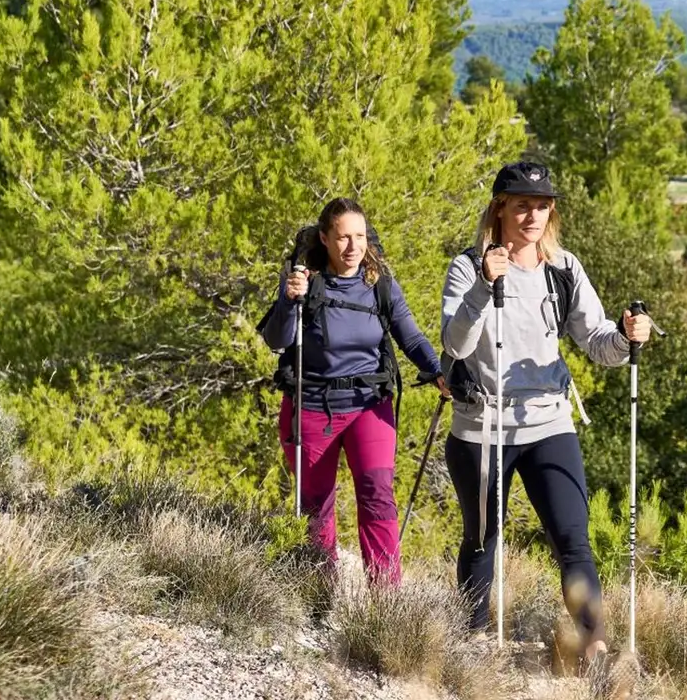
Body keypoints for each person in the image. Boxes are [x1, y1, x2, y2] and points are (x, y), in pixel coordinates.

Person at [440, 160, 652, 667]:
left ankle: (595, 644)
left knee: (572, 537)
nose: (532, 214)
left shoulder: (563, 269)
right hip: (482, 425)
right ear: (500, 208)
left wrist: (626, 337)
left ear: (550, 210)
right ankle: (471, 642)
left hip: (548, 421)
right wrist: (480, 290)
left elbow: (597, 341)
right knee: (482, 537)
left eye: (541, 205)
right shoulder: (469, 267)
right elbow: (454, 342)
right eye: (521, 204)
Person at [260, 196, 445, 585]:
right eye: (343, 237)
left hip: (369, 406)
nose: (352, 247)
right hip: (311, 406)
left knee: (377, 494)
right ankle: (319, 589)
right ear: (325, 239)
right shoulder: (303, 282)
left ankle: (385, 598)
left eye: (359, 236)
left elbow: (410, 337)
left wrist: (437, 372)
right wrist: (288, 299)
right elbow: (277, 339)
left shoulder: (381, 286)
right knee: (315, 505)